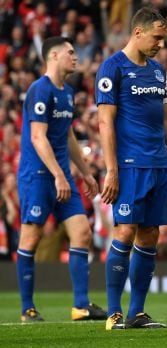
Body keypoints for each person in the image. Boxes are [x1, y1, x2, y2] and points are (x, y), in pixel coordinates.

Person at [96, 7, 167, 330]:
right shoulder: (113, 68)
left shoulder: (157, 71)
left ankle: (137, 312)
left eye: (163, 39)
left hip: (158, 166)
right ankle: (113, 312)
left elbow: (166, 119)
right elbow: (104, 122)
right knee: (124, 230)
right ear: (138, 33)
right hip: (129, 165)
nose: (161, 45)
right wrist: (111, 169)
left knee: (150, 234)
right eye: (157, 38)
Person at [16, 36, 107, 323]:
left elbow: (67, 136)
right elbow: (36, 136)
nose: (75, 57)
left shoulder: (67, 92)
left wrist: (85, 172)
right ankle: (27, 307)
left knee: (82, 232)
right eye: (70, 52)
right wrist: (58, 174)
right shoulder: (38, 91)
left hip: (62, 176)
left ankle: (80, 306)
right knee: (31, 237)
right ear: (53, 56)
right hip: (38, 177)